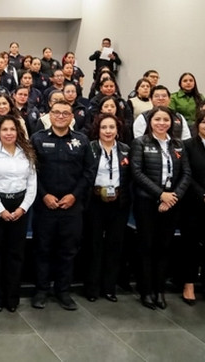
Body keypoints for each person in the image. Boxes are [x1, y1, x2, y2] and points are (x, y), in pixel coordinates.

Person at [29, 100, 96, 311]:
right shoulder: (37, 140)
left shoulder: (82, 140)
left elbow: (89, 171)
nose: (60, 116)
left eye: (65, 113)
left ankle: (63, 291)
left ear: (72, 117)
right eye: (56, 113)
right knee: (43, 249)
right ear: (49, 115)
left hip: (72, 207)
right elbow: (30, 172)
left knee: (68, 251)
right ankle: (41, 290)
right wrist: (44, 195)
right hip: (45, 205)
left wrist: (74, 196)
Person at [131, 106, 191, 310]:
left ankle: (159, 290)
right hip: (147, 203)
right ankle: (146, 291)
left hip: (172, 204)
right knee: (146, 247)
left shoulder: (178, 145)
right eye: (157, 119)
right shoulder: (140, 143)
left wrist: (172, 197)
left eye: (166, 120)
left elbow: (186, 174)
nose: (161, 123)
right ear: (150, 122)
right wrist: (160, 194)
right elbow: (137, 173)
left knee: (164, 248)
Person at [0, 115, 37, 312]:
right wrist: (1, 210)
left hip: (20, 205)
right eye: (5, 130)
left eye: (12, 129)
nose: (9, 133)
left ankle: (12, 298)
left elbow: (32, 183)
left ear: (18, 131)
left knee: (16, 254)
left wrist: (23, 208)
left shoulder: (27, 153)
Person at [82, 113, 132, 303]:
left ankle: (109, 287)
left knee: (114, 245)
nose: (108, 131)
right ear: (98, 130)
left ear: (117, 130)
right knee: (94, 245)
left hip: (119, 204)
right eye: (104, 127)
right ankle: (92, 287)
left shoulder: (126, 149)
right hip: (94, 202)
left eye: (112, 127)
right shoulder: (91, 148)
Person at [181, 109, 205, 305]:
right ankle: (188, 283)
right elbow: (186, 174)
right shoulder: (188, 145)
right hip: (194, 203)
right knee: (191, 245)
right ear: (198, 125)